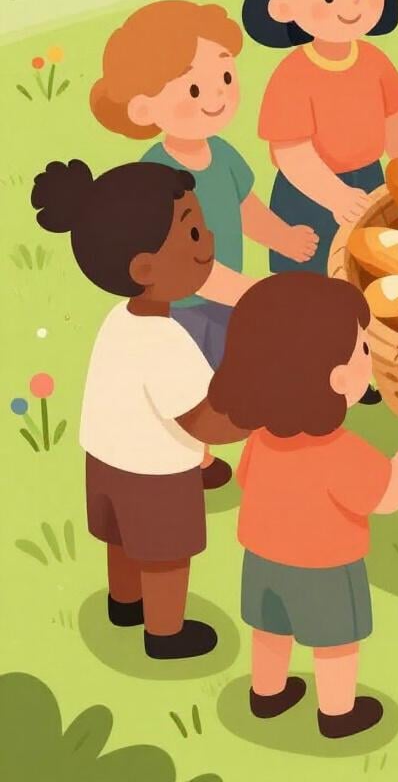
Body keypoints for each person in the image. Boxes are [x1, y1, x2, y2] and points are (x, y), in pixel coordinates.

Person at [89, 0, 318, 488]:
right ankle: (195, 458)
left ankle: (251, 446)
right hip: (178, 307)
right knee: (192, 386)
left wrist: (283, 236)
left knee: (232, 370)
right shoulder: (157, 175)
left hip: (226, 297)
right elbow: (181, 262)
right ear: (144, 107)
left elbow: (246, 207)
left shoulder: (224, 154)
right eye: (194, 88)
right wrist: (248, 291)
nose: (215, 97)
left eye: (226, 80)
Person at [30, 159, 247, 659]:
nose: (208, 241)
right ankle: (165, 632)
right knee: (166, 556)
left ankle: (124, 603)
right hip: (155, 472)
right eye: (193, 232)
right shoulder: (164, 340)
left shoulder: (119, 318)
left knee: (121, 538)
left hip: (105, 459)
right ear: (145, 269)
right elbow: (202, 417)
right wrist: (255, 411)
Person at [208, 273, 398, 738]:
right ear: (336, 378)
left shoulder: (263, 437)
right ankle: (337, 712)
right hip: (327, 568)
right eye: (364, 351)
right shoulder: (340, 450)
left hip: (263, 560)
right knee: (335, 643)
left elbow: (246, 480)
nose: (370, 362)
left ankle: (266, 694)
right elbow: (389, 497)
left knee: (270, 631)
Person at [242, 0, 398, 276]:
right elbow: (291, 152)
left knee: (368, 277)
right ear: (283, 5)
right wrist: (335, 196)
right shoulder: (292, 75)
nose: (355, 2)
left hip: (371, 181)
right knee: (311, 288)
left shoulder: (375, 61)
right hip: (307, 195)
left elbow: (397, 128)